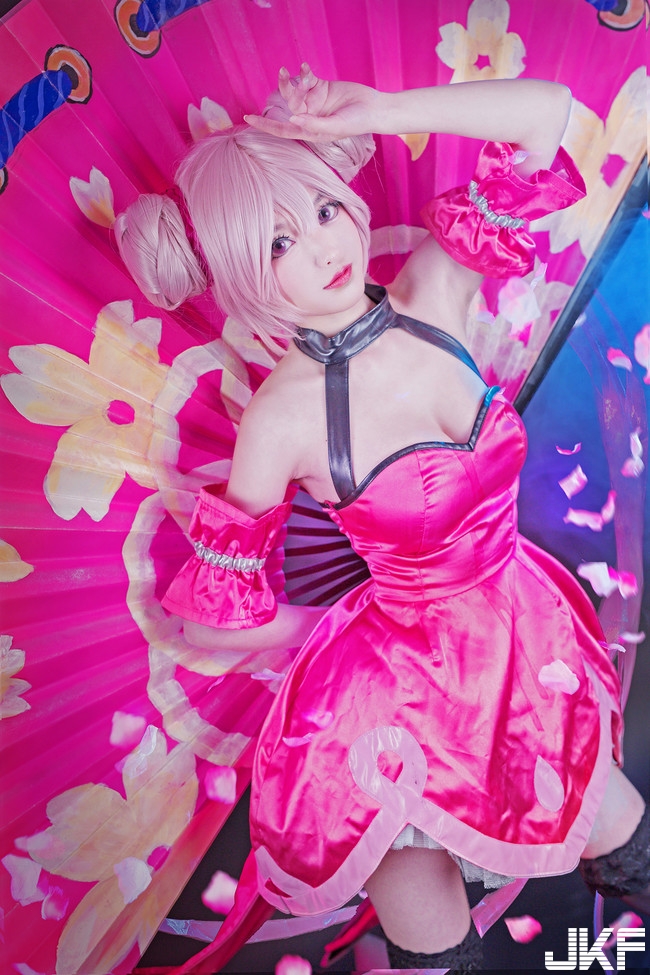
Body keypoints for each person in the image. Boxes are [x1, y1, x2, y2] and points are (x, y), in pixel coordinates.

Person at [117, 67, 649, 972]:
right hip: (386, 699)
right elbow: (214, 613)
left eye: (324, 207)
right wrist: (334, 631)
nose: (325, 245)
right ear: (239, 272)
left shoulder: (433, 291)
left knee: (629, 845)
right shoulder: (280, 418)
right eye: (279, 240)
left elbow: (548, 115)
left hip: (522, 633)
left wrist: (380, 111)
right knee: (438, 952)